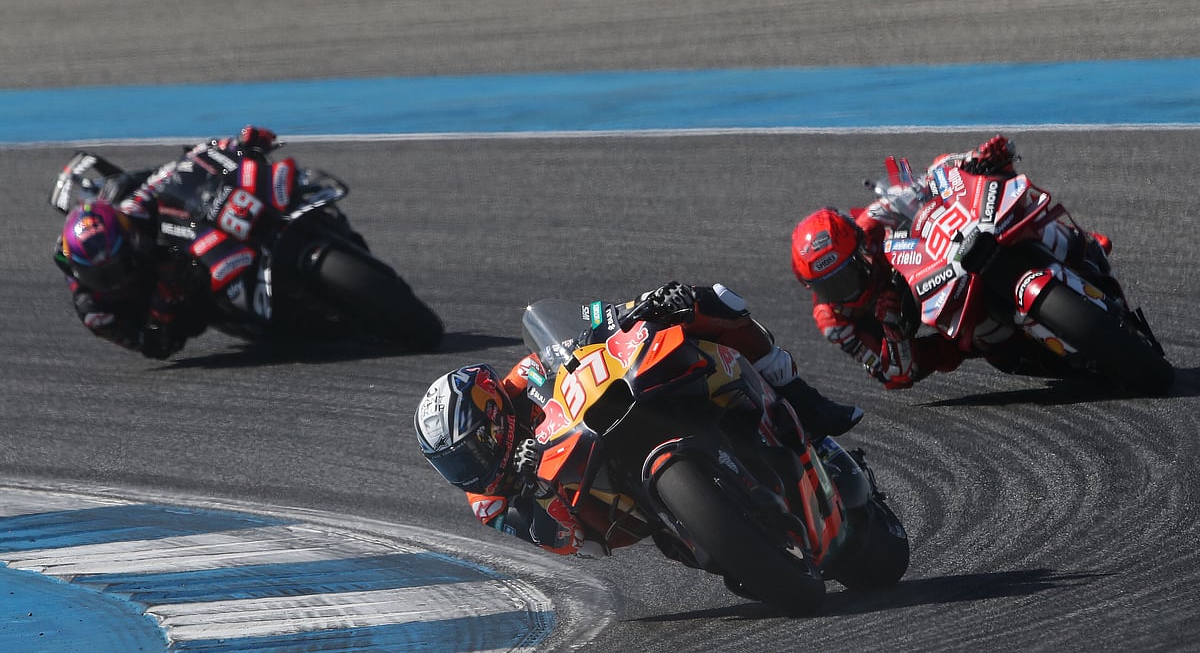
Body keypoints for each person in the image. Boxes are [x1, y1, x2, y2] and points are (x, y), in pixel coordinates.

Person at [413, 282, 862, 558]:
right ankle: (710, 531)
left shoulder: (523, 379)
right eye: (453, 465)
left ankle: (799, 396)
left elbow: (574, 336)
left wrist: (634, 309)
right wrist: (535, 485)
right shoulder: (487, 501)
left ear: (493, 415)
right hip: (614, 507)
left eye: (469, 453)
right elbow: (565, 542)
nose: (468, 472)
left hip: (615, 413)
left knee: (708, 300)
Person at [790, 135, 1115, 388]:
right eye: (831, 286)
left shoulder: (868, 225)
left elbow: (924, 186)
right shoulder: (835, 323)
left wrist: (975, 162)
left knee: (971, 189)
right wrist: (894, 330)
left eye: (849, 274)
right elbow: (894, 377)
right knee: (954, 350)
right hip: (926, 324)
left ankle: (1077, 242)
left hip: (935, 263)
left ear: (860, 248)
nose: (846, 291)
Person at [53, 126, 284, 359]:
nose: (114, 282)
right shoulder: (95, 312)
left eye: (116, 268)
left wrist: (233, 146)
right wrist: (161, 313)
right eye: (100, 277)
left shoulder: (131, 209)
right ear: (79, 272)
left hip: (185, 238)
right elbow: (155, 348)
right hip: (185, 303)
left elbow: (175, 170)